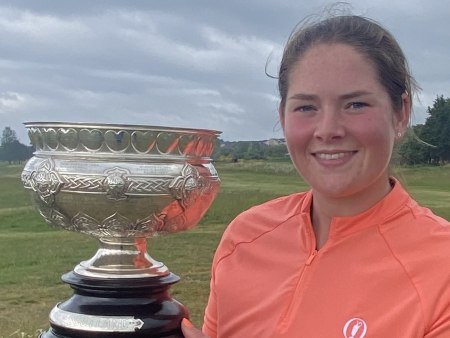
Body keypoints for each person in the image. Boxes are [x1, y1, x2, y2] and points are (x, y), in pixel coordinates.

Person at [182, 11, 450, 338]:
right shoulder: (245, 237)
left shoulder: (441, 267)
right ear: (283, 116)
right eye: (306, 107)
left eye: (355, 105)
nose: (327, 130)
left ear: (401, 113)